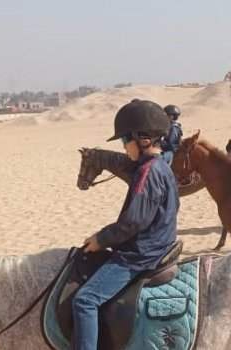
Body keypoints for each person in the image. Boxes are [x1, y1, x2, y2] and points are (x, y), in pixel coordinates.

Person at [72, 99, 180, 350]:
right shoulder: (162, 167)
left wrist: (101, 238)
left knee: (85, 301)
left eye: (124, 140)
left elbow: (134, 221)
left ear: (142, 139)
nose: (123, 147)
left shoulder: (147, 172)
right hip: (159, 242)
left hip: (142, 253)